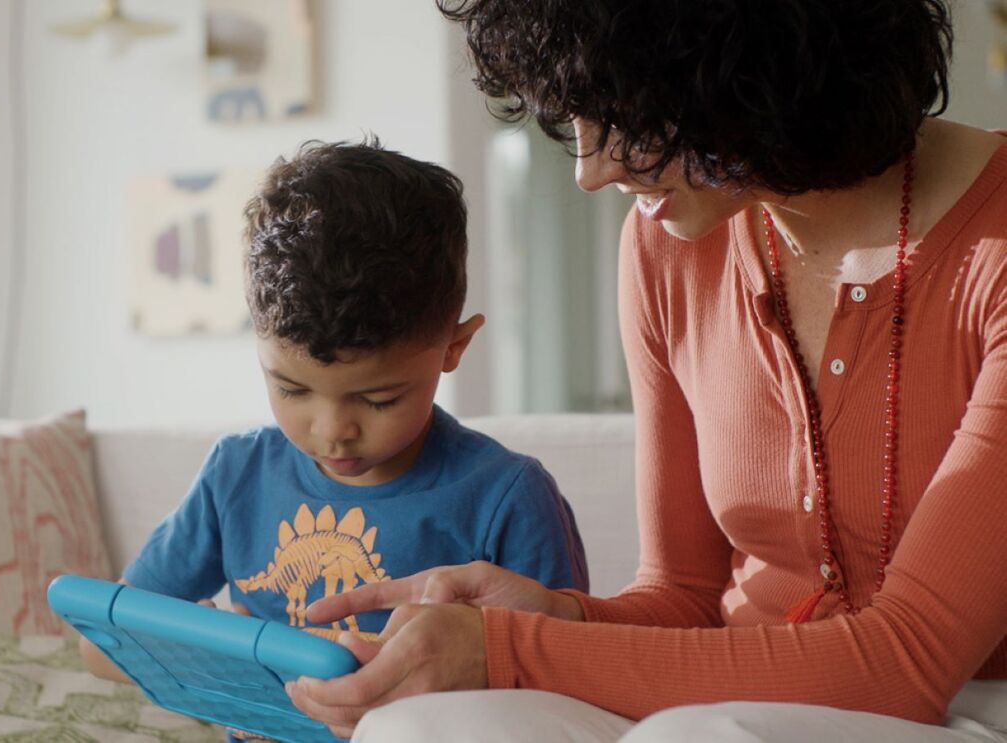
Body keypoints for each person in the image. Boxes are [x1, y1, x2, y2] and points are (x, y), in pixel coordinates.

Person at [285, 2, 1007, 741]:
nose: (588, 172)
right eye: (576, 120)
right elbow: (683, 594)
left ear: (755, 77)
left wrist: (506, 650)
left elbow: (905, 664)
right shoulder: (668, 247)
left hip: (966, 701)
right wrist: (559, 616)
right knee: (422, 726)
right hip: (733, 689)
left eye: (627, 119)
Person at [80, 140, 588, 686]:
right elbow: (101, 647)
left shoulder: (507, 497)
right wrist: (195, 654)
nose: (331, 433)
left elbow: (570, 675)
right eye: (291, 390)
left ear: (453, 347)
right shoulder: (235, 476)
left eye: (378, 400)